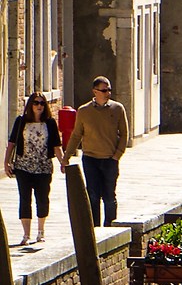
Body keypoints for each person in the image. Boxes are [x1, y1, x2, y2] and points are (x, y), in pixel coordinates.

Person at [64, 76, 130, 226]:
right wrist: (66, 156)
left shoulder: (118, 109)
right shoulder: (84, 111)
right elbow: (76, 135)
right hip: (90, 159)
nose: (108, 93)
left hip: (109, 159)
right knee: (93, 195)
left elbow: (125, 134)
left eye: (109, 90)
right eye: (104, 90)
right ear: (95, 92)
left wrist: (117, 155)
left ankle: (110, 227)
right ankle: (94, 228)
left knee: (109, 197)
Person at [4, 91, 62, 247]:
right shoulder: (21, 121)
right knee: (25, 199)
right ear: (30, 105)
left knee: (42, 199)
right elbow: (11, 144)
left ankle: (41, 232)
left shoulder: (50, 123)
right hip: (23, 166)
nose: (39, 106)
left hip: (43, 167)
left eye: (42, 103)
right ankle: (26, 235)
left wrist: (63, 162)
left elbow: (56, 145)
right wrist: (6, 162)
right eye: (36, 103)